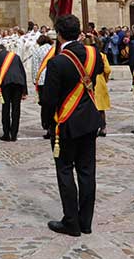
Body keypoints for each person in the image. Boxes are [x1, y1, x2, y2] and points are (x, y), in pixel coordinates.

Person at [41, 14, 101, 237]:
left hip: (65, 124)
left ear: (59, 34)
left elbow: (49, 99)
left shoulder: (57, 62)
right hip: (89, 121)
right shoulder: (94, 55)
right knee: (87, 171)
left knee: (65, 171)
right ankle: (86, 222)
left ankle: (71, 222)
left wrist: (47, 122)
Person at [0, 43, 29, 141]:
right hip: (18, 83)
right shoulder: (15, 56)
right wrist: (25, 91)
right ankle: (14, 134)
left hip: (6, 84)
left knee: (6, 108)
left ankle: (6, 134)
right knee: (16, 109)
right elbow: (23, 73)